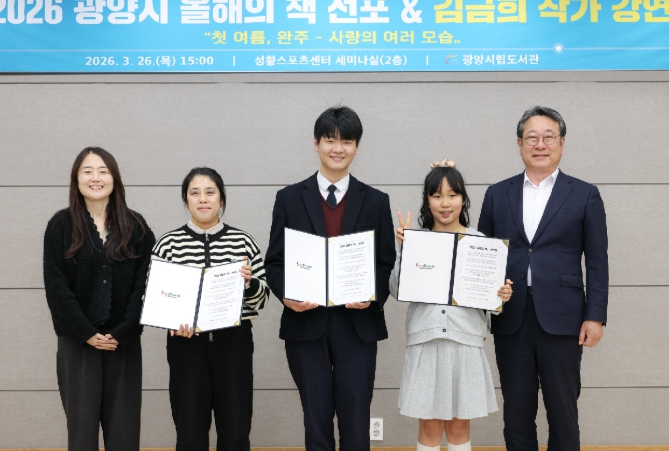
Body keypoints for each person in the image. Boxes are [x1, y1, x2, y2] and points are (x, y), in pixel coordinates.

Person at [264, 106, 396, 451]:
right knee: (316, 422)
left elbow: (385, 262)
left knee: (357, 422)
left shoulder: (376, 201)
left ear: (357, 147)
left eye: (347, 141)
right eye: (330, 140)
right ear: (316, 143)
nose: (338, 148)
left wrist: (371, 295)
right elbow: (274, 262)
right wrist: (286, 295)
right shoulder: (289, 199)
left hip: (358, 325)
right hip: (306, 324)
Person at [478, 106, 609, 451]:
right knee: (516, 414)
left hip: (564, 319)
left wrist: (595, 316)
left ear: (562, 142)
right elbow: (482, 257)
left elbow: (597, 262)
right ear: (519, 143)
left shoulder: (585, 194)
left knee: (563, 412)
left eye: (548, 137)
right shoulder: (497, 194)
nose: (540, 144)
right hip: (512, 318)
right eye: (532, 137)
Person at [391, 159, 513, 451]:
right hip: (426, 341)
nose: (445, 203)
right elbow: (395, 290)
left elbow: (490, 301)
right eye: (436, 196)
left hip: (465, 342)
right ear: (427, 200)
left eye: (452, 195)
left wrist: (502, 294)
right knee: (430, 425)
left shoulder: (481, 242)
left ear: (463, 199)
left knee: (459, 424)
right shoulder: (415, 239)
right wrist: (405, 250)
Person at [43, 146, 155, 451]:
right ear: (76, 179)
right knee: (82, 435)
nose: (96, 178)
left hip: (123, 344)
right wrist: (86, 333)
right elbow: (56, 287)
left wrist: (124, 331)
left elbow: (145, 285)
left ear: (115, 178)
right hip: (77, 344)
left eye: (103, 171)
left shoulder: (137, 227)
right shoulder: (60, 225)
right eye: (87, 171)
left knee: (124, 435)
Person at [151, 166, 269, 451]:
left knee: (236, 430)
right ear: (186, 200)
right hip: (186, 346)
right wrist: (171, 320)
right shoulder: (168, 244)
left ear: (222, 199)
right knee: (190, 432)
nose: (202, 199)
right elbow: (152, 297)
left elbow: (262, 299)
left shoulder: (243, 242)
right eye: (195, 193)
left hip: (234, 344)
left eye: (210, 192)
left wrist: (249, 283)